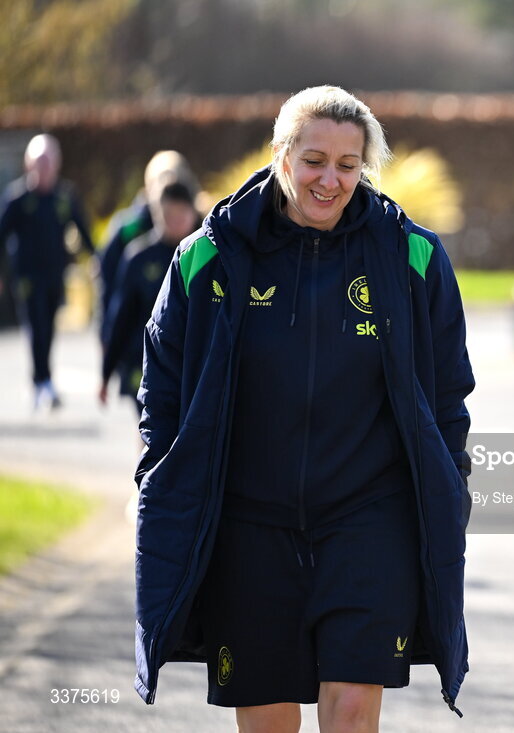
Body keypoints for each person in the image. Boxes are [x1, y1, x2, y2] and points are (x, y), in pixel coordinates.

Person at [132, 86, 474, 732]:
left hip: (369, 521)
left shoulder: (413, 257)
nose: (330, 179)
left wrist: (451, 479)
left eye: (349, 165)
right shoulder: (208, 257)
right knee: (268, 719)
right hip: (248, 526)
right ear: (281, 156)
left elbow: (449, 390)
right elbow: (164, 390)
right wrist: (160, 480)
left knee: (350, 709)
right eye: (315, 159)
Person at [0, 133, 95, 409]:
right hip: (27, 277)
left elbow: (83, 230)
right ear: (29, 165)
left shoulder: (64, 198)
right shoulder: (18, 199)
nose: (44, 169)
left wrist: (96, 258)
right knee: (36, 327)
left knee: (49, 328)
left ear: (57, 165)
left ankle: (40, 379)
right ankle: (43, 382)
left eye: (49, 163)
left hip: (55, 274)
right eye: (39, 163)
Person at [98, 150, 198, 388]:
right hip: (142, 356)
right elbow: (113, 289)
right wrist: (107, 355)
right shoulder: (132, 235)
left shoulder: (203, 239)